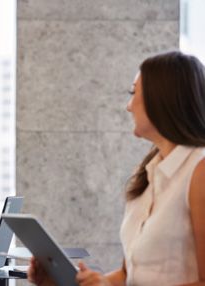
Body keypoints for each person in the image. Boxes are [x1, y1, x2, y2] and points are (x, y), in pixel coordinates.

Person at [28, 51, 205, 285]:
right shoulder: (148, 174)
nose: (128, 106)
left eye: (134, 93)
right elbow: (127, 275)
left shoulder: (198, 171)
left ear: (161, 98)